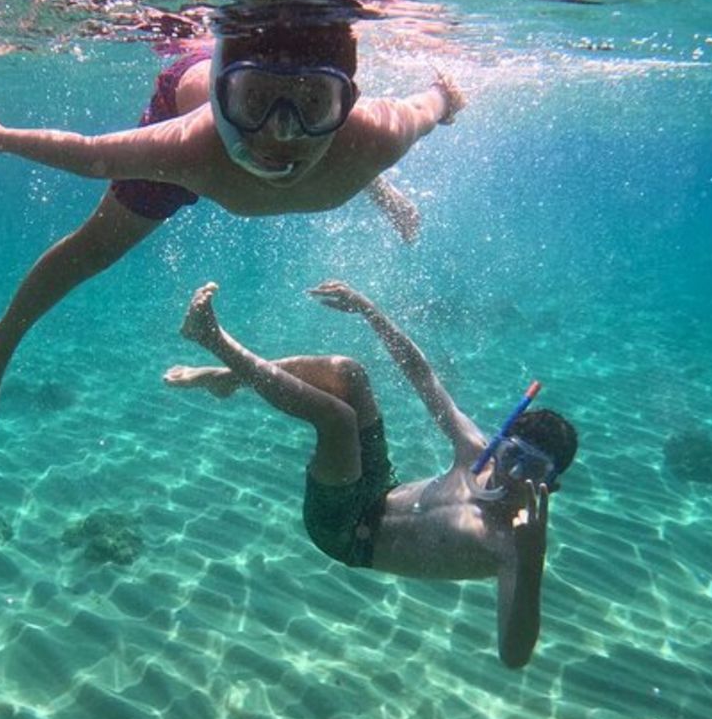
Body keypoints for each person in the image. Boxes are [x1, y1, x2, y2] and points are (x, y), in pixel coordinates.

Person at [0, 18, 465, 415]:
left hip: (303, 126)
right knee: (97, 247)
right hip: (191, 100)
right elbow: (91, 154)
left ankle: (321, 136)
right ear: (225, 99)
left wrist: (446, 97)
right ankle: (2, 337)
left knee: (332, 147)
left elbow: (431, 105)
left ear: (346, 103)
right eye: (255, 102)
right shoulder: (188, 148)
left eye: (314, 104)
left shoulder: (375, 135)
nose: (281, 133)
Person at [163, 279, 578, 668]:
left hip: (344, 532)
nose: (514, 473)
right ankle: (227, 379)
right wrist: (370, 310)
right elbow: (423, 376)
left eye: (534, 468)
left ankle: (212, 338)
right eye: (513, 454)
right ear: (500, 439)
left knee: (337, 419)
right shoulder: (475, 453)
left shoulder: (514, 545)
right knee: (348, 372)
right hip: (378, 489)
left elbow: (515, 654)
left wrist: (532, 557)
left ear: (550, 486)